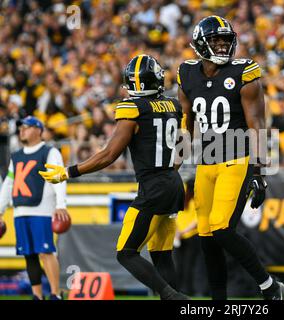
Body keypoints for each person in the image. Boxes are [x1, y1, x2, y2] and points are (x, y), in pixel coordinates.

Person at [39, 55, 188, 300]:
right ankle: (173, 298)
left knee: (126, 252)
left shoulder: (133, 108)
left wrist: (69, 172)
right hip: (173, 182)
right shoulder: (172, 106)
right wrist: (170, 172)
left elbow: (108, 155)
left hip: (153, 187)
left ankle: (174, 298)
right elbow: (184, 144)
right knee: (162, 253)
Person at [177, 15, 284, 300]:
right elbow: (186, 123)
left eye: (226, 41)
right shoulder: (187, 73)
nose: (223, 46)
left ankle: (269, 286)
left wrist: (260, 173)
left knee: (222, 229)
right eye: (216, 40)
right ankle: (219, 302)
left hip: (237, 159)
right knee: (206, 238)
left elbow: (257, 125)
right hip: (206, 161)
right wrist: (174, 164)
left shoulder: (244, 71)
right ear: (201, 43)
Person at [0, 116, 69, 300]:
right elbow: (9, 183)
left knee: (46, 251)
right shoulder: (16, 155)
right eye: (21, 127)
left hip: (42, 210)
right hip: (20, 210)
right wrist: (0, 210)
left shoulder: (49, 152)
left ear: (39, 130)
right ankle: (37, 295)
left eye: (27, 127)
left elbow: (58, 178)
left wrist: (61, 204)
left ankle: (55, 293)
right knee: (29, 255)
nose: (22, 130)